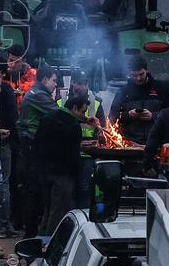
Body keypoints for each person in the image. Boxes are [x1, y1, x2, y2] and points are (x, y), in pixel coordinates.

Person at [16, 64, 59, 236]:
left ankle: (31, 229)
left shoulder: (35, 93)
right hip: (31, 147)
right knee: (34, 190)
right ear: (44, 80)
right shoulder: (39, 96)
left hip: (29, 146)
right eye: (54, 81)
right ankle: (31, 232)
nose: (56, 84)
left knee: (33, 189)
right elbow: (58, 114)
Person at [38, 93, 87, 235]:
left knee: (48, 210)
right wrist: (75, 175)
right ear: (74, 108)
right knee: (57, 213)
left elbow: (36, 144)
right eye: (82, 112)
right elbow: (73, 156)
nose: (83, 115)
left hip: (44, 171)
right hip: (62, 175)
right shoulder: (72, 126)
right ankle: (48, 245)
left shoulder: (47, 118)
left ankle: (40, 240)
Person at [59, 69, 105, 207]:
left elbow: (103, 129)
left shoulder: (95, 102)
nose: (83, 87)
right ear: (72, 83)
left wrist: (99, 133)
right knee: (67, 190)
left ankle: (84, 218)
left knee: (85, 188)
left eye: (85, 83)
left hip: (87, 154)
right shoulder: (61, 100)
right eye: (79, 83)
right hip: (66, 153)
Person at [108, 55, 169, 146]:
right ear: (129, 73)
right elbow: (112, 117)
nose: (138, 78)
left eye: (141, 74)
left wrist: (153, 116)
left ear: (147, 70)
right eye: (134, 75)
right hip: (130, 144)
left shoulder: (161, 89)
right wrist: (128, 115)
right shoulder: (123, 91)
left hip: (157, 143)